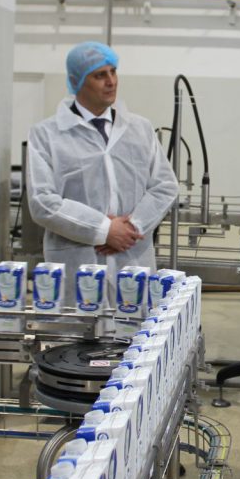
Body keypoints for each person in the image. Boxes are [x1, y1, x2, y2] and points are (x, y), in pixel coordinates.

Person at [26, 41, 178, 301]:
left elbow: (165, 186)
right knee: (78, 324)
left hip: (132, 260)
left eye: (113, 72)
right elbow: (42, 202)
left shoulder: (139, 129)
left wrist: (131, 228)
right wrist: (103, 229)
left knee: (132, 323)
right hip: (76, 265)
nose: (111, 82)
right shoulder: (46, 134)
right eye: (99, 75)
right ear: (77, 82)